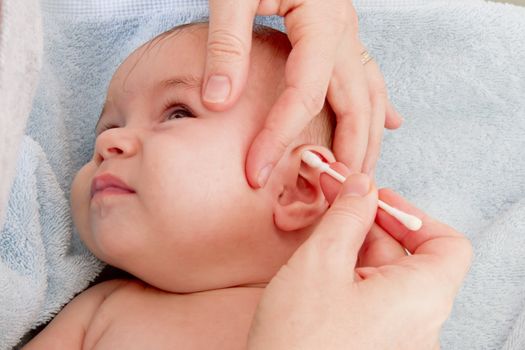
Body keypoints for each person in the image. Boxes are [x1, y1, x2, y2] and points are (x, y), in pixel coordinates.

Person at [23, 22, 471, 349]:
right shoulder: (99, 310)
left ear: (299, 187)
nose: (108, 143)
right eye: (108, 126)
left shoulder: (362, 318)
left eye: (177, 113)